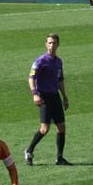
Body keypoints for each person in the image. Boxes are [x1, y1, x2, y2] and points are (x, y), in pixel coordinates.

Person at [25, 33, 71, 166]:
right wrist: (35, 94)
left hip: (55, 96)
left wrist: (64, 96)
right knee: (44, 129)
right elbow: (31, 78)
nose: (52, 45)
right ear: (46, 44)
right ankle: (29, 150)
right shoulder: (40, 61)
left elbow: (60, 80)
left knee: (61, 127)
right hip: (44, 96)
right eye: (49, 43)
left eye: (54, 43)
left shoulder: (59, 61)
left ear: (58, 44)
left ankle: (59, 158)